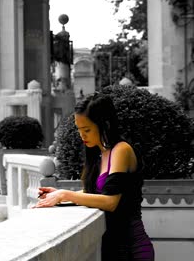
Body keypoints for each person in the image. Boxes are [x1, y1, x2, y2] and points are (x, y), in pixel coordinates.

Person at [33, 92, 154, 261]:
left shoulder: (121, 150)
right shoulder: (100, 154)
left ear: (104, 124)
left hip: (132, 249)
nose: (82, 135)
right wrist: (59, 195)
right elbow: (97, 193)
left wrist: (65, 195)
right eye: (79, 130)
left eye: (87, 129)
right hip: (111, 247)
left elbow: (110, 202)